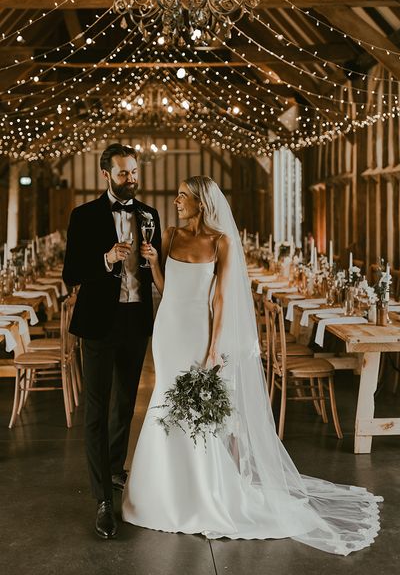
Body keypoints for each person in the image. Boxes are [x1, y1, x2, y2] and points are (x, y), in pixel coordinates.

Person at [122, 176, 382, 556]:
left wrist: (213, 349)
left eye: (183, 196)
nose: (176, 201)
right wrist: (154, 264)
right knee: (164, 401)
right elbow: (165, 288)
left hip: (198, 332)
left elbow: (221, 300)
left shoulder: (221, 241)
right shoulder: (172, 236)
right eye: (177, 195)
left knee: (195, 412)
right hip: (167, 331)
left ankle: (204, 492)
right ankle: (160, 492)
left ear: (201, 202)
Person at [62, 143, 161, 539]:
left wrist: (156, 261)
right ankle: (103, 497)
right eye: (123, 173)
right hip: (99, 323)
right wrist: (105, 259)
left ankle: (115, 471)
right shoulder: (83, 216)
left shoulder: (150, 215)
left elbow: (160, 274)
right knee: (97, 408)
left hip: (136, 320)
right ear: (106, 175)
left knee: (125, 403)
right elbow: (72, 272)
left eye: (134, 171)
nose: (131, 178)